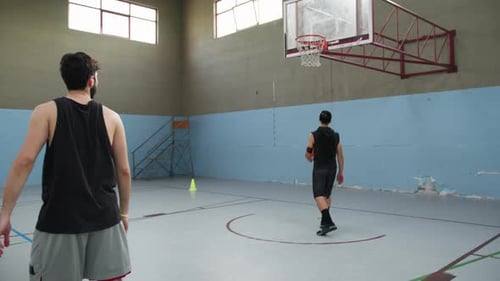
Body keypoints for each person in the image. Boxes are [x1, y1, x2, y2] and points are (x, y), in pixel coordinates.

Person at [0, 52, 132, 281]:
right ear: (91, 80)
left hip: (60, 220)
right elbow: (124, 170)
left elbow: (24, 161)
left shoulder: (45, 111)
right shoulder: (112, 118)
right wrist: (124, 213)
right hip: (106, 219)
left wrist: (5, 212)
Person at [305, 110, 344, 236]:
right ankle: (324, 224)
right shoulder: (336, 135)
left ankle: (328, 222)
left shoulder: (313, 135)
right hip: (332, 168)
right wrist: (341, 172)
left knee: (318, 195)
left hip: (319, 168)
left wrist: (309, 157)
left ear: (319, 119)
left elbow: (308, 155)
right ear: (330, 121)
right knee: (326, 196)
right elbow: (340, 155)